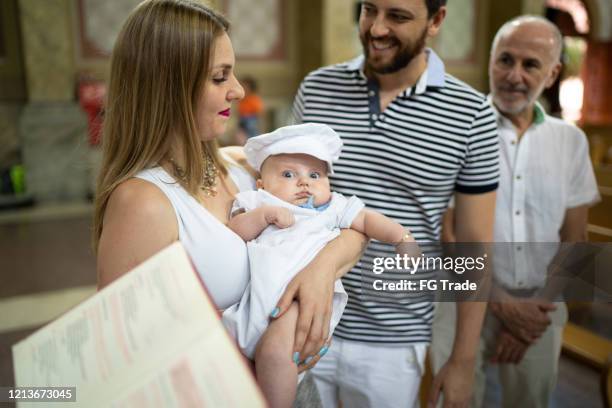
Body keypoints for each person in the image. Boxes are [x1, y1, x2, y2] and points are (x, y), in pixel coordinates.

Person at [92, 0, 366, 404]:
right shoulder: (143, 203)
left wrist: (321, 272)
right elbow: (129, 366)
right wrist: (261, 362)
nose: (237, 90)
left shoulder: (242, 167)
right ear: (169, 87)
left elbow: (348, 225)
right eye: (220, 77)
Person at [291, 1, 500, 407]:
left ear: (436, 20)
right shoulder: (316, 87)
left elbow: (475, 244)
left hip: (394, 342)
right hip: (305, 325)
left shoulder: (472, 113)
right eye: (370, 10)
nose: (377, 28)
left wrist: (462, 359)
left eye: (398, 17)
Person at [434, 16, 601, 407]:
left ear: (554, 71)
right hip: (462, 300)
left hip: (540, 307)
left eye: (530, 65)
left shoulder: (570, 141)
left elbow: (575, 238)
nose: (514, 75)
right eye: (505, 60)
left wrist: (534, 314)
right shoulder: (457, 130)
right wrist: (503, 303)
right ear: (490, 61)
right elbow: (448, 234)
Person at [223, 123, 420, 408]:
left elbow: (366, 220)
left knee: (276, 351)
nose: (304, 183)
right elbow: (235, 234)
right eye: (288, 174)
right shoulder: (258, 202)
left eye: (314, 175)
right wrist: (264, 216)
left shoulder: (334, 208)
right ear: (262, 184)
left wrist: (401, 236)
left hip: (301, 302)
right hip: (256, 300)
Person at [236, 77, 265, 145]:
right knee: (241, 137)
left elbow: (259, 113)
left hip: (251, 120)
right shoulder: (241, 100)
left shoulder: (254, 98)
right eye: (242, 86)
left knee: (252, 136)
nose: (244, 88)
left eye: (246, 86)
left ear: (251, 87)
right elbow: (239, 112)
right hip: (242, 120)